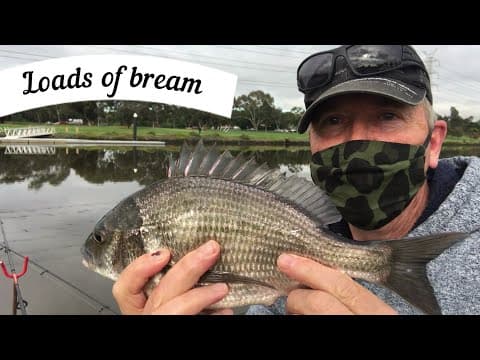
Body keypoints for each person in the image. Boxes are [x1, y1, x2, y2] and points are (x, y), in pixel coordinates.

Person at [112, 45, 480, 315]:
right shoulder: (287, 276)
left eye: (387, 116)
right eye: (333, 122)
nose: (356, 142)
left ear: (434, 142)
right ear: (312, 144)